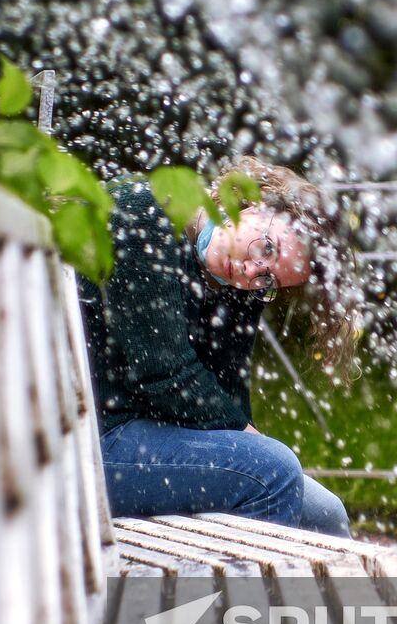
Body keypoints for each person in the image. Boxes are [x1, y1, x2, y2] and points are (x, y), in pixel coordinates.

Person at [76, 157, 355, 537]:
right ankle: (227, 593)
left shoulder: (237, 286)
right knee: (274, 473)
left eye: (268, 279)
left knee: (326, 514)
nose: (253, 272)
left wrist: (254, 443)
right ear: (257, 204)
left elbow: (229, 394)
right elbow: (164, 376)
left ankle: (288, 596)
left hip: (145, 439)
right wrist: (259, 447)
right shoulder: (143, 211)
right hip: (88, 446)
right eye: (267, 248)